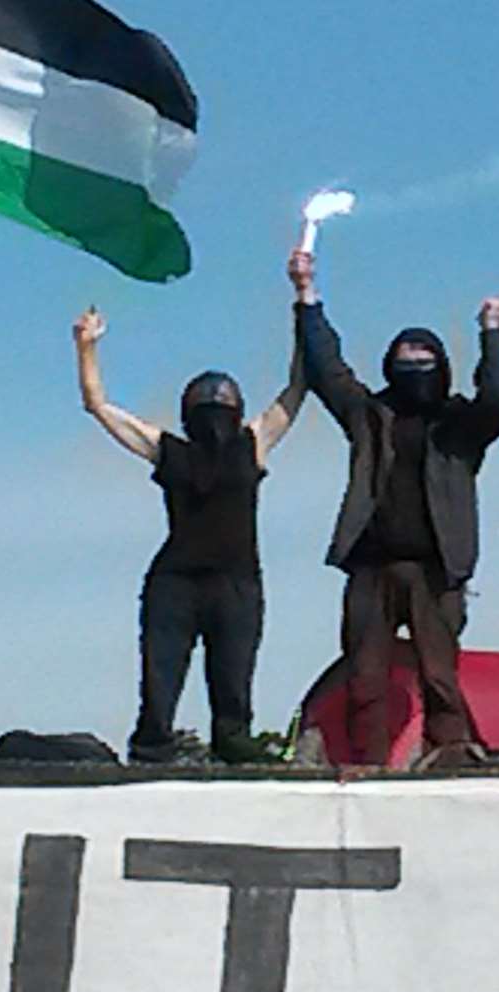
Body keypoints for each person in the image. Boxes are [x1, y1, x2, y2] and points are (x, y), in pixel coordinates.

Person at [287, 249, 499, 768]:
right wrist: (306, 297)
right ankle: (365, 767)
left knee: (441, 677)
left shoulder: (461, 425)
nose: (414, 369)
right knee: (364, 677)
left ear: (443, 368)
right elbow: (328, 371)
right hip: (371, 566)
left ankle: (450, 758)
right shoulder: (371, 414)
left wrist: (494, 333)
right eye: (404, 362)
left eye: (424, 361)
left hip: (438, 569)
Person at [73, 305, 305, 764]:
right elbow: (295, 391)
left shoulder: (190, 448)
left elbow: (297, 388)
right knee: (163, 691)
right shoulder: (237, 445)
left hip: (222, 584)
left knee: (229, 688)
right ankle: (156, 752)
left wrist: (87, 347)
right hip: (187, 584)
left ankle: (215, 747)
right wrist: (86, 346)